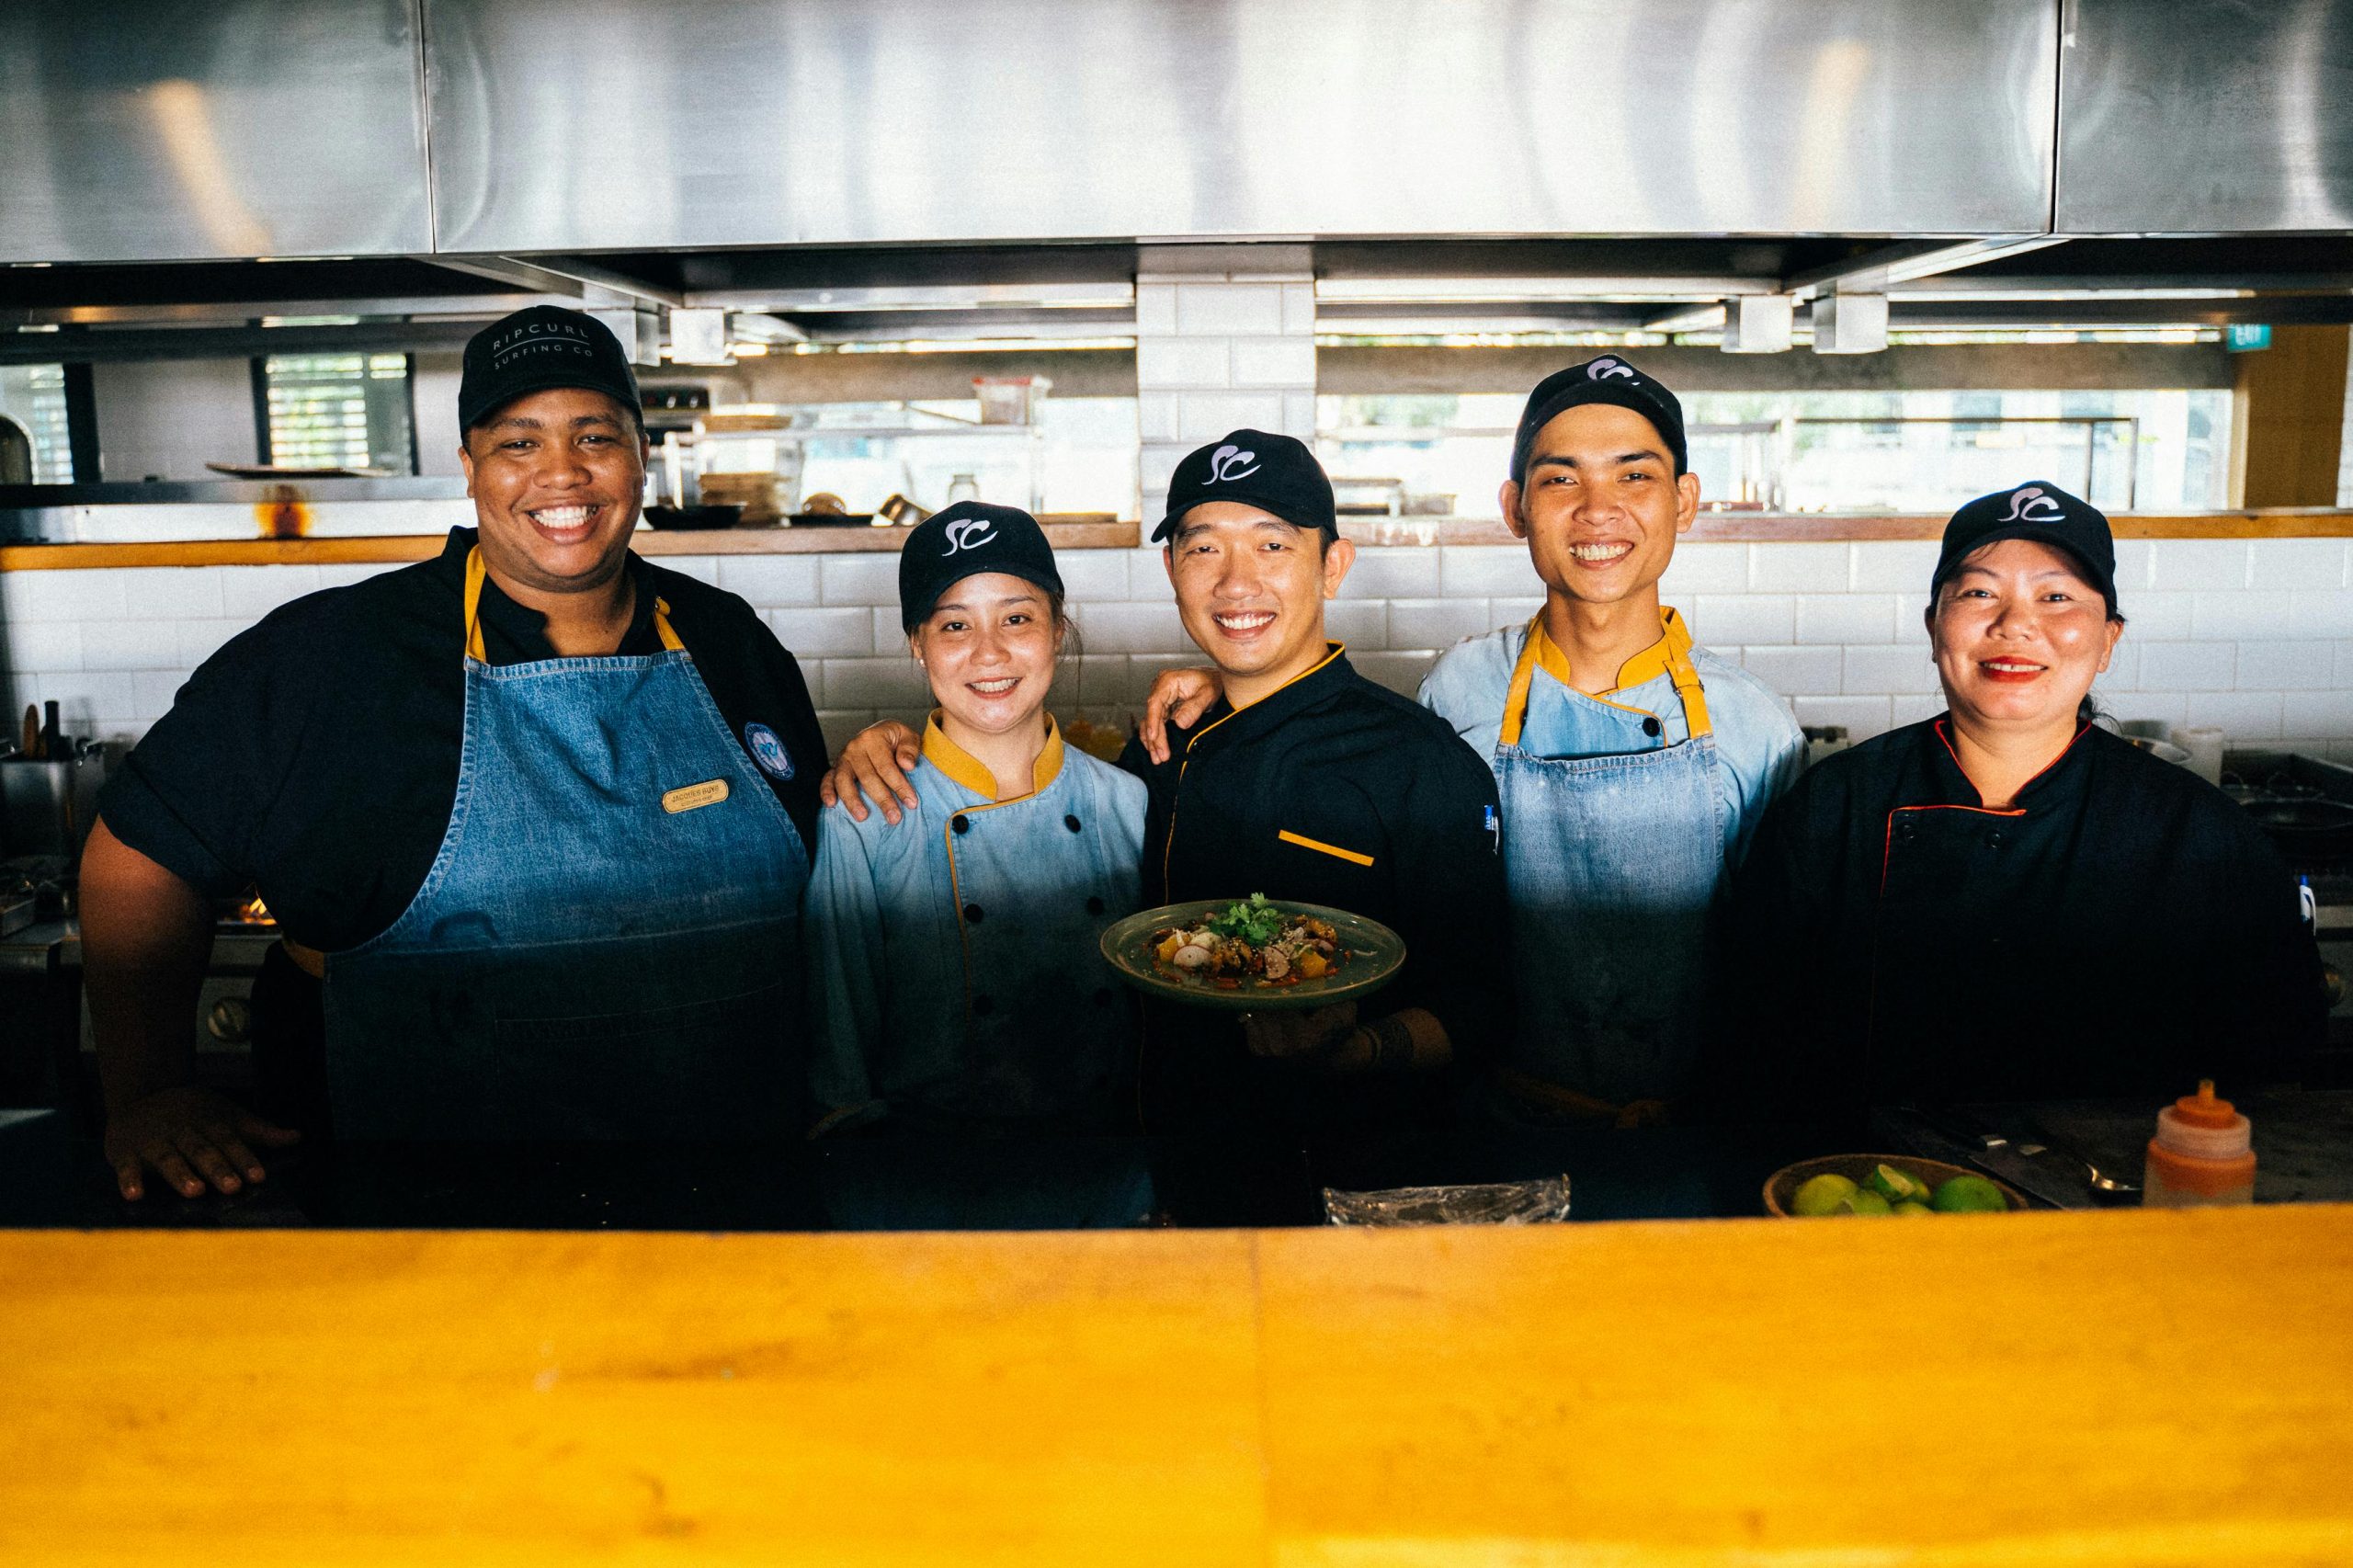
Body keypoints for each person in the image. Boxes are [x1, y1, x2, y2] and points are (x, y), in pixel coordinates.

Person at [85, 305, 827, 1199]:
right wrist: (149, 1088)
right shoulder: (333, 656)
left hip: (733, 1198)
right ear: (471, 467)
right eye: (520, 441)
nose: (562, 471)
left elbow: (825, 870)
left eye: (596, 434)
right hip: (424, 1218)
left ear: (638, 457)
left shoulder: (729, 641)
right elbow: (137, 851)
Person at [824, 432, 1509, 1201]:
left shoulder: (1420, 761)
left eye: (1273, 544)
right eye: (1204, 549)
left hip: (1347, 1177)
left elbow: (1486, 1005)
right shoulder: (1156, 753)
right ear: (1172, 571)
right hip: (1162, 1172)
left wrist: (1352, 1052)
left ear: (1334, 565)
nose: (1235, 582)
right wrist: (883, 742)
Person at [1143, 358, 1803, 1123]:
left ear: (1684, 502)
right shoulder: (1456, 691)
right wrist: (1228, 685)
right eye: (1560, 480)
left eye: (1633, 477)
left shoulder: (1756, 727)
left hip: (1694, 1126)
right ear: (1516, 507)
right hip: (1491, 1118)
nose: (1597, 511)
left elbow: (1781, 982)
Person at [1715, 482, 2325, 1129]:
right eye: (1979, 593)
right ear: (1933, 627)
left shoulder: (2200, 834)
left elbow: (2276, 1074)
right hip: (1874, 1199)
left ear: (2109, 639)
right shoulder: (1834, 809)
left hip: (2117, 1205)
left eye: (2056, 596)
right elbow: (1752, 1046)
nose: (2015, 625)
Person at [802, 503, 1145, 1136]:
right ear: (917, 645)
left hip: (1110, 1184)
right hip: (928, 1189)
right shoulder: (864, 818)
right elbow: (840, 1058)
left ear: (1058, 631)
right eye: (954, 626)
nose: (989, 653)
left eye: (1018, 618)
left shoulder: (1129, 805)